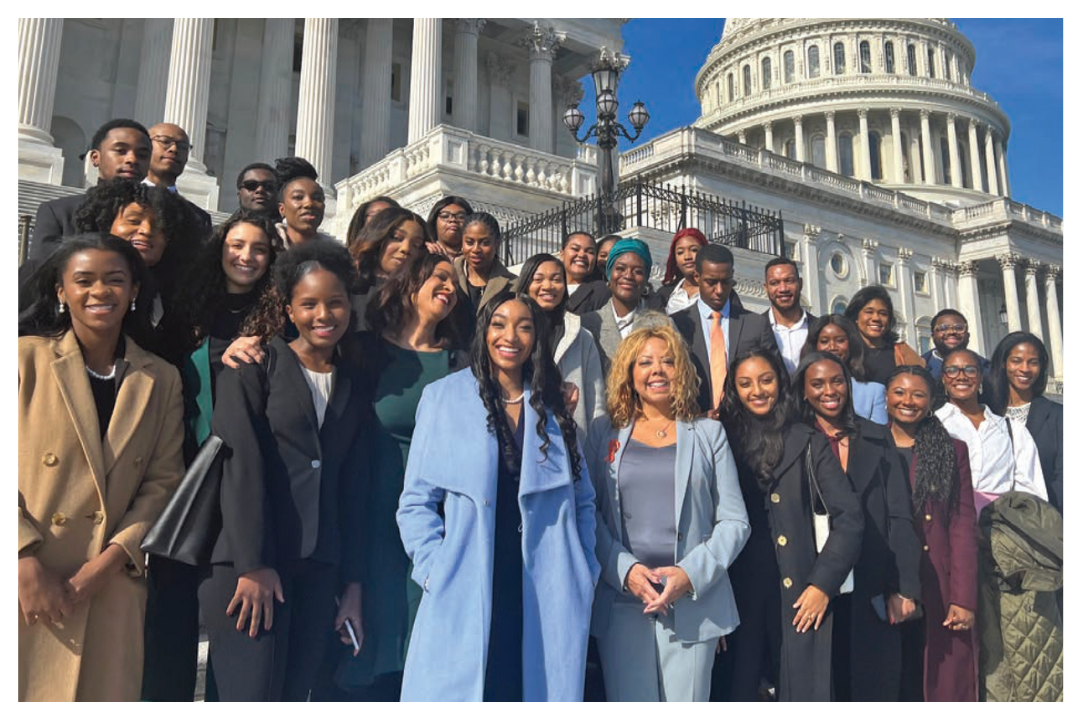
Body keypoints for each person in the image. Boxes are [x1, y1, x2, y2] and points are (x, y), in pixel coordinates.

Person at [397, 291, 600, 701]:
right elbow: (416, 501)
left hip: (547, 584)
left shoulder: (552, 405)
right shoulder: (444, 398)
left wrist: (585, 567)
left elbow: (583, 500)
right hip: (467, 578)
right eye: (499, 323)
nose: (511, 336)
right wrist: (434, 567)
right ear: (483, 330)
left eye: (525, 326)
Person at [199, 241, 370, 701]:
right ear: (290, 310)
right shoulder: (255, 365)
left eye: (335, 303)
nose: (323, 314)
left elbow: (351, 489)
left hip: (318, 569)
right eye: (309, 304)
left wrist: (351, 585)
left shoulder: (352, 383)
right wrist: (253, 563)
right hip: (250, 564)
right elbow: (240, 463)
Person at [18, 233, 185, 701]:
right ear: (60, 291)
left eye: (114, 280)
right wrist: (22, 558)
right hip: (27, 580)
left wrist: (110, 562)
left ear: (134, 290)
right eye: (83, 280)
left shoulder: (161, 378)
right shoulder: (23, 359)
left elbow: (163, 482)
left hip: (110, 587)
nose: (99, 292)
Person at [142, 210, 282, 701]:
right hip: (188, 468)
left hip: (245, 468)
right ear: (221, 247)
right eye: (237, 245)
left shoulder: (278, 316)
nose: (246, 257)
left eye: (259, 249)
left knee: (231, 610)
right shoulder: (190, 309)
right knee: (173, 609)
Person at [317, 254, 468, 701]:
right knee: (365, 642)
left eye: (455, 284)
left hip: (434, 518)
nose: (450, 287)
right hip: (369, 508)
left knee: (421, 640)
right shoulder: (362, 350)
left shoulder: (459, 361)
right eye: (440, 277)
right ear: (409, 284)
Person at [586, 325, 750, 701]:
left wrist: (690, 576)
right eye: (645, 362)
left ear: (683, 372)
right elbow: (588, 514)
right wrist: (624, 569)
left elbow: (735, 521)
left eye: (668, 361)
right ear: (629, 373)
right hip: (624, 605)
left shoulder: (709, 434)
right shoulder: (603, 432)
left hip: (691, 605)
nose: (657, 370)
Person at [713, 347, 863, 702]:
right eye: (745, 383)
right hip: (737, 594)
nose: (758, 391)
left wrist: (822, 585)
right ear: (734, 389)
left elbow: (850, 518)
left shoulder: (807, 440)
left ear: (781, 382)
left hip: (798, 594)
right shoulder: (718, 437)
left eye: (766, 380)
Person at [791, 352, 922, 701]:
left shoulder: (878, 436)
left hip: (872, 583)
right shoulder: (793, 441)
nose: (829, 391)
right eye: (817, 384)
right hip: (815, 584)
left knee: (873, 685)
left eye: (837, 381)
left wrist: (905, 587)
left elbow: (899, 516)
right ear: (803, 391)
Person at [885, 365, 978, 702]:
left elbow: (962, 524)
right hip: (885, 579)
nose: (908, 400)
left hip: (939, 581)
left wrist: (963, 597)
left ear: (930, 401)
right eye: (899, 392)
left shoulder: (952, 450)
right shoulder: (868, 445)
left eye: (918, 393)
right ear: (886, 398)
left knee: (941, 683)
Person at [70, 178, 199, 337]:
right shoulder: (67, 277)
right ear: (105, 223)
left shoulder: (179, 302)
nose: (146, 230)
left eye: (159, 225)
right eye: (133, 221)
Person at [935, 348, 1046, 515]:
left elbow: (1031, 490)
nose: (961, 376)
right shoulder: (933, 424)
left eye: (970, 370)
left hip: (1002, 525)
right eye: (952, 370)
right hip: (950, 521)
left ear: (980, 377)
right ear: (943, 378)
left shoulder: (1011, 429)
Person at [26, 119, 152, 265]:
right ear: (95, 158)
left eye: (142, 155)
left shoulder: (159, 215)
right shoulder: (58, 212)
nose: (132, 159)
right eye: (120, 151)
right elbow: (41, 271)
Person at [670, 243, 775, 418]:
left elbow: (773, 376)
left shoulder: (756, 324)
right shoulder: (677, 325)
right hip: (694, 425)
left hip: (748, 428)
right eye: (711, 282)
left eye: (726, 282)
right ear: (697, 277)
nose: (719, 290)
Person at [515, 253, 607, 441]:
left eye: (556, 280)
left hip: (571, 440)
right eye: (538, 279)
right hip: (521, 436)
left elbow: (596, 402)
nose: (548, 286)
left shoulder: (582, 337)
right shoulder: (511, 334)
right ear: (526, 285)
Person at [984, 332, 1063, 513]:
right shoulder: (985, 412)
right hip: (989, 520)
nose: (1025, 369)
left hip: (1042, 518)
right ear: (1003, 364)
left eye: (1033, 362)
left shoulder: (1058, 416)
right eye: (1017, 361)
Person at [581, 238, 672, 374]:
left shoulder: (663, 325)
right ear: (609, 274)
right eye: (620, 269)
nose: (628, 276)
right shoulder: (587, 325)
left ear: (646, 279)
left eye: (638, 271)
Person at [346, 206, 428, 331]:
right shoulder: (345, 282)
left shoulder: (419, 294)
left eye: (416, 245)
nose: (406, 248)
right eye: (396, 238)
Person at [802, 313, 888, 424]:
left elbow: (880, 437)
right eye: (824, 341)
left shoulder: (874, 392)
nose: (832, 347)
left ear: (851, 343)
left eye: (840, 340)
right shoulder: (802, 389)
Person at [843, 285, 923, 385]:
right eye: (869, 312)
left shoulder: (902, 353)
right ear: (856, 316)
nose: (876, 318)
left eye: (883, 313)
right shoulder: (844, 352)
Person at [145, 122, 213, 240]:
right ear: (145, 146)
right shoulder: (121, 200)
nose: (174, 149)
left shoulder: (199, 219)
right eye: (165, 142)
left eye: (182, 146)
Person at [453, 211, 516, 316]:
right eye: (469, 242)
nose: (476, 249)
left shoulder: (514, 285)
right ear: (462, 243)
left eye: (485, 243)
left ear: (497, 244)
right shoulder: (447, 278)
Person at [762, 256, 815, 373]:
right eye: (774, 283)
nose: (783, 289)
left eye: (789, 281)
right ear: (766, 288)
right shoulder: (755, 330)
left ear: (800, 283)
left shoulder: (819, 328)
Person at [274, 156, 335, 247]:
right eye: (298, 197)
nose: (309, 204)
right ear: (282, 208)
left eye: (317, 197)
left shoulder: (338, 255)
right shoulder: (266, 247)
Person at [921, 309, 989, 380]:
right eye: (943, 328)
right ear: (933, 336)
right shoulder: (919, 367)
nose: (952, 332)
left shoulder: (987, 369)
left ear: (968, 336)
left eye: (959, 328)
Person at [655, 228, 707, 315]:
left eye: (694, 250)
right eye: (680, 252)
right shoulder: (663, 295)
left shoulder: (718, 291)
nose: (687, 257)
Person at [560, 231, 610, 315]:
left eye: (590, 252)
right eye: (575, 249)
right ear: (562, 254)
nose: (582, 255)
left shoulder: (602, 291)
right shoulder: (552, 288)